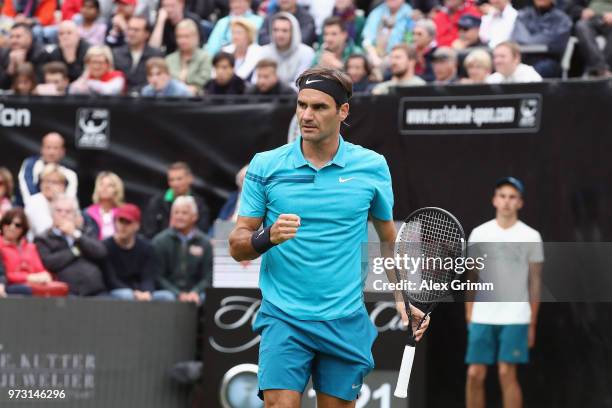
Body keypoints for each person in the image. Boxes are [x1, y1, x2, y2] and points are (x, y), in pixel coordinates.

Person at [229, 66, 429, 407]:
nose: (307, 115)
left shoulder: (372, 167)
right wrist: (268, 237)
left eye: (319, 107)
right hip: (284, 316)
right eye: (302, 105)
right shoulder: (265, 166)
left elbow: (386, 239)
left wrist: (401, 296)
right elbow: (237, 246)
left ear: (343, 111)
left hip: (344, 318)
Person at [465, 177, 543, 408]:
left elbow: (536, 283)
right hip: (482, 316)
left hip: (516, 316)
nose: (507, 201)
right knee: (474, 374)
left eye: (512, 197)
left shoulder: (531, 236)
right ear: (494, 200)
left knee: (506, 373)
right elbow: (472, 277)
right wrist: (469, 312)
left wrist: (532, 323)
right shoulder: (480, 233)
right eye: (502, 196)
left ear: (520, 203)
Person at [35, 194, 107, 296]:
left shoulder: (86, 232)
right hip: (66, 293)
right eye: (59, 211)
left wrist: (75, 235)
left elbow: (101, 252)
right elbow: (49, 263)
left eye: (68, 211)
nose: (63, 214)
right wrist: (75, 251)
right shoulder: (43, 238)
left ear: (74, 215)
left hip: (96, 290)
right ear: (51, 214)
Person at [104, 203, 174, 301]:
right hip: (116, 292)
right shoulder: (107, 246)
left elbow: (148, 276)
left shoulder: (145, 247)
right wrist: (134, 293)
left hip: (141, 292)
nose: (123, 226)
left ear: (137, 225)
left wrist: (146, 292)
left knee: (167, 297)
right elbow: (111, 280)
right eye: (120, 221)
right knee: (127, 295)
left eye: (128, 222)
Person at [152, 196, 213, 304]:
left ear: (195, 217)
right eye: (176, 213)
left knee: (209, 297)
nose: (179, 216)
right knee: (166, 297)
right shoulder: (159, 241)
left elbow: (208, 276)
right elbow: (157, 276)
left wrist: (195, 292)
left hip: (196, 293)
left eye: (184, 213)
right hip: (169, 292)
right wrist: (178, 294)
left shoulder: (205, 243)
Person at [142, 161, 211, 239]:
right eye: (171, 180)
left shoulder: (199, 204)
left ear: (190, 179)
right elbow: (149, 232)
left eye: (179, 179)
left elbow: (202, 231)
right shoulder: (156, 202)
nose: (175, 183)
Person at [510, 0, 572, 78]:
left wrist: (528, 40)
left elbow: (557, 44)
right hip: (524, 59)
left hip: (548, 60)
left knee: (535, 71)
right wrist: (544, 38)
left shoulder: (562, 19)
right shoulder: (522, 15)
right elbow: (518, 38)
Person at [0, 208, 53, 295]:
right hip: (9, 286)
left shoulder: (30, 247)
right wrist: (27, 277)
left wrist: (44, 276)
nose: (12, 227)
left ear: (23, 229)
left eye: (17, 225)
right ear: (2, 225)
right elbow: (5, 275)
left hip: (32, 284)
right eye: (8, 222)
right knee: (25, 290)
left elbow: (40, 269)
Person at [18, 132, 78, 206]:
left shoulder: (70, 175)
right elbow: (28, 197)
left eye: (55, 148)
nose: (51, 152)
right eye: (48, 147)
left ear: (63, 151)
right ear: (42, 149)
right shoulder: (29, 165)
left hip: (59, 213)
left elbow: (70, 201)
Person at [258, 12, 315, 87]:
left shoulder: (307, 52)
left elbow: (300, 84)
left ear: (293, 32)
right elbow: (257, 82)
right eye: (276, 30)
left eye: (284, 30)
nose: (279, 35)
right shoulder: (264, 52)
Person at [113, 15, 164, 93]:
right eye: (129, 29)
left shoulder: (156, 55)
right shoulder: (116, 54)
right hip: (120, 99)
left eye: (136, 30)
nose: (131, 33)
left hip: (146, 100)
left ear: (146, 34)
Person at [362, 0, 414, 75]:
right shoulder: (376, 12)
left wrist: (391, 57)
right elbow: (367, 40)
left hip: (398, 55)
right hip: (375, 56)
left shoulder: (410, 15)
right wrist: (374, 57)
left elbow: (409, 42)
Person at [165, 18, 211, 95]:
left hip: (197, 100)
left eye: (186, 36)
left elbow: (205, 80)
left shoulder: (205, 57)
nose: (182, 40)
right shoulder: (169, 59)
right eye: (179, 37)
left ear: (196, 37)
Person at [568, 0, 612, 76]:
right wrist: (582, 11)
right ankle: (601, 69)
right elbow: (571, 7)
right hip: (591, 19)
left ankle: (605, 71)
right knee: (581, 26)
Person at [0, 23, 50, 89]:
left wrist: (22, 66)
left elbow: (40, 82)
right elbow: (2, 85)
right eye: (11, 37)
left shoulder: (41, 54)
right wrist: (11, 68)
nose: (14, 40)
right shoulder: (4, 53)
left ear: (29, 38)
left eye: (18, 37)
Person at [25, 164, 68, 237]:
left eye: (54, 182)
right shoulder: (36, 201)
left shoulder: (65, 202)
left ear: (63, 186)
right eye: (45, 181)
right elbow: (45, 232)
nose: (47, 186)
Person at [85, 171, 124, 240]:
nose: (104, 188)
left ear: (116, 190)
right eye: (101, 184)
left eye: (110, 185)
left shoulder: (123, 213)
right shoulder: (87, 213)